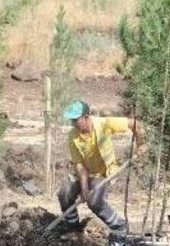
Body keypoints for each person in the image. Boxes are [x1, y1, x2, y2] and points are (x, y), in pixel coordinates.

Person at [58, 100, 144, 233]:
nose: (73, 123)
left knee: (94, 201)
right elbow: (79, 165)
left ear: (86, 117)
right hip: (83, 173)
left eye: (76, 120)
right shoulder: (73, 136)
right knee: (64, 193)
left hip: (103, 173)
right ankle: (73, 228)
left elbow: (134, 123)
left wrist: (140, 143)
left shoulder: (104, 124)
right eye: (72, 120)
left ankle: (120, 227)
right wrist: (84, 189)